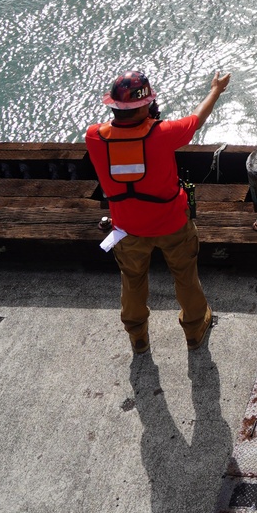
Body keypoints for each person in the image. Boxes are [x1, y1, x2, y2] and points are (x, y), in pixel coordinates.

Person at [86, 69, 231, 355]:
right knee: (185, 276)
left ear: (113, 105)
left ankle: (137, 336)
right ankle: (194, 329)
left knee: (132, 280)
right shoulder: (163, 134)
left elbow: (116, 133)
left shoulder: (94, 137)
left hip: (127, 229)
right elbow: (196, 120)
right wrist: (215, 90)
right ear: (146, 106)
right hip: (172, 224)